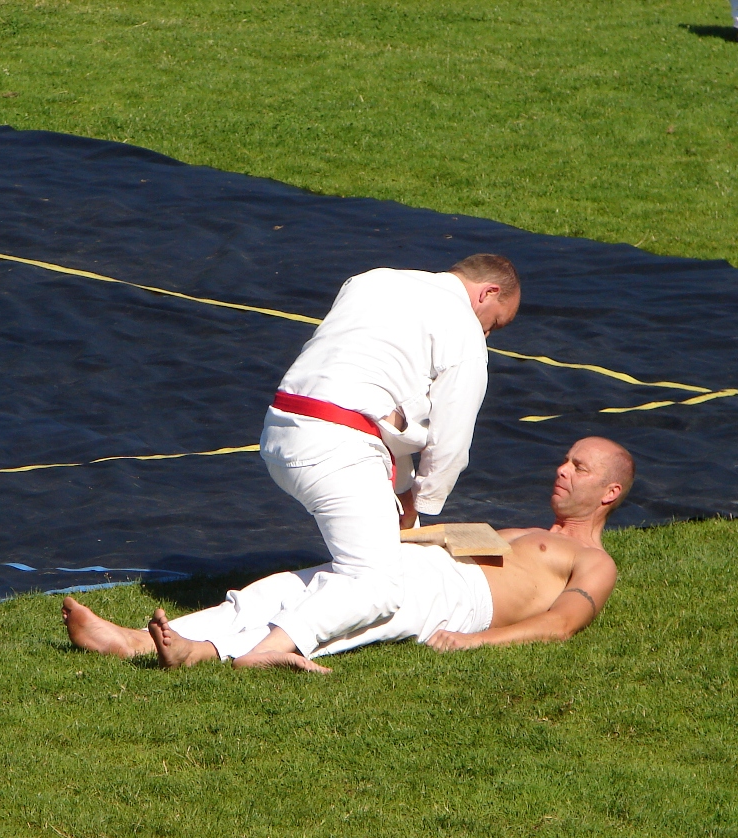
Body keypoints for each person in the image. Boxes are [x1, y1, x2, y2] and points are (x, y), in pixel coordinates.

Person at [186, 254, 521, 671]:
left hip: (281, 431)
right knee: (377, 585)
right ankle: (266, 649)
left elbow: (377, 393)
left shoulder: (373, 279)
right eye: (494, 323)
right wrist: (425, 507)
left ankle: (188, 639)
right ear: (488, 293)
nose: (488, 333)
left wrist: (403, 492)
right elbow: (450, 440)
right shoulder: (464, 328)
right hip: (337, 447)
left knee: (352, 571)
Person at [61, 436, 633, 673]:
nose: (562, 469)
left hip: (455, 598)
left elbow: (561, 625)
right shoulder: (523, 530)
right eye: (565, 459)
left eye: (579, 467)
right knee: (286, 589)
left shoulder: (594, 560)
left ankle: (205, 654)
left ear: (610, 492)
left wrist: (475, 641)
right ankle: (137, 641)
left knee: (347, 613)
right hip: (413, 563)